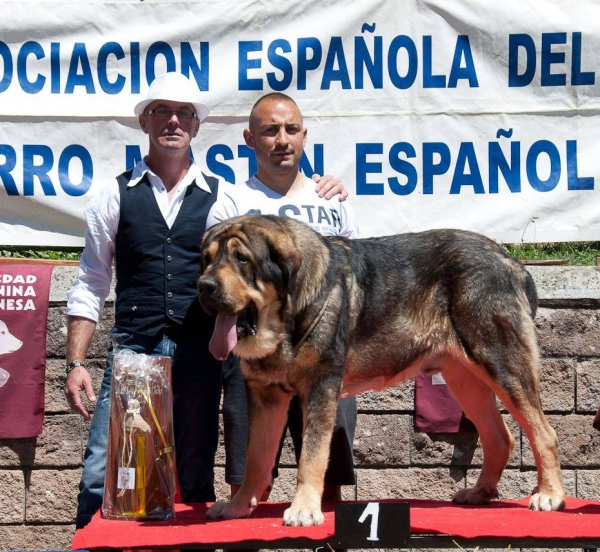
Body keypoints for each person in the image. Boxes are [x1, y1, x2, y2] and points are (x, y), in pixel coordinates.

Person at [64, 73, 346, 529]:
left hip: (200, 350)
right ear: (143, 121)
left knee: (195, 475)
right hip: (136, 350)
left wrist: (320, 187)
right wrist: (75, 361)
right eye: (161, 111)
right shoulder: (110, 197)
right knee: (104, 472)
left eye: (184, 114)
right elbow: (91, 281)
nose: (172, 121)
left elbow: (266, 252)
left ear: (197, 127)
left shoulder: (226, 197)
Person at [206, 92, 358, 506]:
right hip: (258, 354)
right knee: (248, 484)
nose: (282, 139)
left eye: (291, 129)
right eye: (270, 130)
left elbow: (352, 285)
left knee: (327, 487)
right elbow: (223, 285)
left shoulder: (332, 199)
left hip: (323, 355)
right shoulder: (232, 204)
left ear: (304, 136)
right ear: (249, 138)